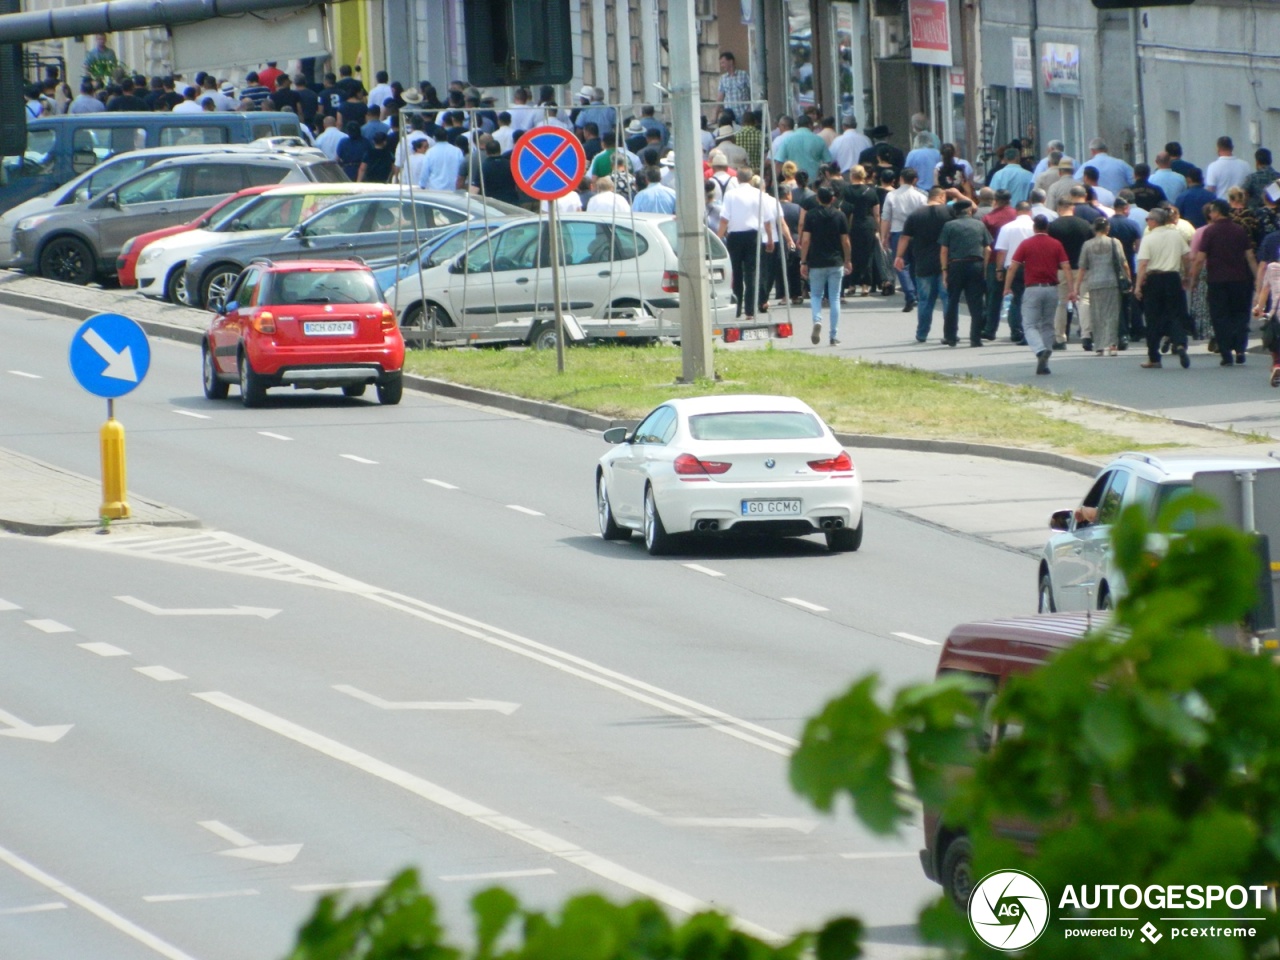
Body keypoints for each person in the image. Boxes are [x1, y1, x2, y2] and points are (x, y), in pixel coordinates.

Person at [1190, 198, 1258, 366]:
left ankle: (1226, 353)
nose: (1210, 214)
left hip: (1217, 280)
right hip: (1240, 279)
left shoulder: (1210, 232)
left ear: (1217, 212)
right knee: (1240, 314)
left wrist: (1195, 279)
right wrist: (1257, 278)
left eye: (1212, 211)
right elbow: (1249, 256)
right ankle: (1240, 348)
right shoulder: (1239, 230)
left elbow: (1200, 259)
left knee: (1220, 316)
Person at [1004, 215, 1073, 375]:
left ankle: (1040, 350)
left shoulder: (1026, 244)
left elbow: (1013, 266)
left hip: (1032, 288)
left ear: (1034, 227)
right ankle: (1045, 361)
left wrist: (1007, 287)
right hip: (1051, 288)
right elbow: (1066, 267)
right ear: (1047, 227)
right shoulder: (1056, 244)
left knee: (1029, 324)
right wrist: (1071, 289)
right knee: (1048, 324)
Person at [1134, 207, 1192, 369]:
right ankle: (1180, 343)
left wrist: (1138, 286)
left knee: (1153, 317)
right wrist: (1186, 275)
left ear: (1153, 221)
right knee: (1176, 313)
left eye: (1148, 219)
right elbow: (1187, 257)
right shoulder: (1175, 235)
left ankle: (1154, 357)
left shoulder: (1149, 238)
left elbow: (1143, 263)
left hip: (1154, 278)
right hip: (1173, 277)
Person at [895, 186, 953, 342]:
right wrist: (959, 194)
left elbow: (904, 238)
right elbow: (971, 208)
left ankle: (922, 333)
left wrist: (899, 256)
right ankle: (949, 333)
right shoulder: (949, 212)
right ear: (941, 196)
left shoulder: (916, 215)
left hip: (923, 262)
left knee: (925, 300)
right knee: (947, 298)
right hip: (945, 263)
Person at [718, 167, 774, 323]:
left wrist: (718, 237)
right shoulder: (759, 195)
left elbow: (724, 219)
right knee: (752, 274)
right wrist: (769, 239)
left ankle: (737, 309)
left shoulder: (730, 195)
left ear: (737, 179)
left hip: (735, 237)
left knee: (736, 274)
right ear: (751, 179)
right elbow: (767, 221)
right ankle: (750, 310)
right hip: (754, 236)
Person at [800, 185, 851, 346]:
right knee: (835, 297)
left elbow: (806, 240)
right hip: (835, 261)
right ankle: (833, 335)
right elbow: (845, 241)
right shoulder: (840, 215)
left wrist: (803, 261)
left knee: (816, 295)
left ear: (817, 199)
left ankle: (817, 320)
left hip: (816, 261)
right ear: (833, 199)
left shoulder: (811, 216)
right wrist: (847, 259)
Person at [1073, 218, 1130, 356]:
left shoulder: (1087, 244)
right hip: (1112, 282)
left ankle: (1099, 345)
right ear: (1107, 229)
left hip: (1094, 283)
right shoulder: (1114, 242)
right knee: (1112, 314)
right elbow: (1124, 263)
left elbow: (1082, 268)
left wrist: (1076, 286)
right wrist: (1129, 279)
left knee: (1096, 314)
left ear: (1094, 229)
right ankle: (1112, 345)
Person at [938, 198, 991, 347]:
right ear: (969, 211)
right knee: (976, 304)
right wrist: (985, 268)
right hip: (976, 264)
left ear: (956, 212)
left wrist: (944, 271)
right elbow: (988, 249)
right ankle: (975, 338)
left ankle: (951, 336)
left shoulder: (949, 225)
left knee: (953, 301)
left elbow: (944, 250)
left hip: (956, 265)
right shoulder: (980, 225)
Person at [1048, 195, 1096, 349]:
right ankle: (1086, 336)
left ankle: (1060, 338)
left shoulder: (1053, 226)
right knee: (1084, 301)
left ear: (1059, 208)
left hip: (1061, 269)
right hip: (1082, 268)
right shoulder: (1085, 225)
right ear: (1073, 208)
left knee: (1061, 303)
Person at [880, 166, 926, 312]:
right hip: (917, 233)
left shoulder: (892, 195)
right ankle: (916, 294)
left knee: (900, 264)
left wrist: (883, 236)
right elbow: (925, 215)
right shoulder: (921, 196)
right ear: (915, 180)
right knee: (915, 264)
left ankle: (910, 294)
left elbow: (886, 217)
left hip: (898, 232)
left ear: (900, 179)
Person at [992, 202, 1036, 342]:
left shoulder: (1007, 227)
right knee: (1031, 300)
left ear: (1016, 212)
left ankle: (1016, 331)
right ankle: (1030, 330)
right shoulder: (1035, 227)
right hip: (1032, 268)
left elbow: (1001, 251)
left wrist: (998, 269)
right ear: (1030, 212)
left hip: (1013, 268)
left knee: (1016, 300)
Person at [841, 165, 881, 297]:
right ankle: (865, 286)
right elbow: (876, 214)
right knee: (867, 255)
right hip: (867, 224)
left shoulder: (846, 191)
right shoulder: (871, 191)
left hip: (851, 225)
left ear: (852, 175)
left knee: (851, 254)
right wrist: (878, 229)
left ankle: (851, 284)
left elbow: (843, 209)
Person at [773, 114, 831, 181]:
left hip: (794, 180)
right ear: (810, 125)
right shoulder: (819, 140)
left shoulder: (787, 140)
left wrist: (774, 182)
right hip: (814, 181)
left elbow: (778, 162)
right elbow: (828, 161)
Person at [1251, 256, 1280, 386]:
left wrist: (1259, 308)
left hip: (1276, 313)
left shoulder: (1273, 268)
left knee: (1274, 339)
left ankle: (1277, 365)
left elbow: (1265, 289)